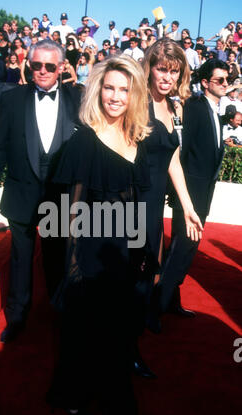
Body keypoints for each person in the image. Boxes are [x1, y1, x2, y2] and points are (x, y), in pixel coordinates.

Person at [47, 55, 152, 415]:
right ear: (98, 90)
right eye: (109, 87)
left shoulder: (135, 138)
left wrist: (139, 254)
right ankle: (75, 393)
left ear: (134, 95)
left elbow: (137, 206)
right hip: (90, 254)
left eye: (124, 89)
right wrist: (73, 269)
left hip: (122, 254)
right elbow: (70, 212)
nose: (115, 96)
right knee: (86, 331)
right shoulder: (84, 141)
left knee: (118, 335)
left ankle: (111, 400)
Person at [0, 40, 81, 343]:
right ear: (28, 65)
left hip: (60, 196)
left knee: (56, 258)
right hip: (21, 192)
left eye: (50, 66)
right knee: (21, 258)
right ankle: (17, 315)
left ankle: (60, 312)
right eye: (36, 65)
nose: (42, 71)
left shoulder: (78, 99)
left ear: (62, 68)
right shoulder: (11, 99)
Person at [135, 38, 202, 343]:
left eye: (174, 72)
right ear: (149, 69)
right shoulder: (135, 103)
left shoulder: (172, 106)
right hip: (131, 201)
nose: (168, 78)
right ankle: (124, 348)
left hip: (154, 205)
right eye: (162, 69)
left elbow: (172, 158)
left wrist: (188, 207)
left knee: (149, 269)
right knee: (131, 273)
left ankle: (139, 326)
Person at [158, 59, 230, 317]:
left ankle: (169, 302)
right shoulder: (197, 108)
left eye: (226, 79)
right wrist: (178, 193)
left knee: (183, 249)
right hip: (189, 194)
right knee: (181, 250)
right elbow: (183, 151)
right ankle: (156, 307)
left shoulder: (214, 110)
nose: (225, 84)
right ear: (205, 83)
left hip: (202, 194)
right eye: (219, 80)